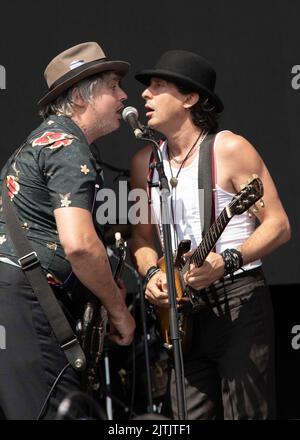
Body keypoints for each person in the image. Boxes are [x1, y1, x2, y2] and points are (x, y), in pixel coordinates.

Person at [130, 50, 291, 420]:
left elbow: (279, 224)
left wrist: (229, 259)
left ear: (190, 98)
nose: (145, 95)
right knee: (186, 416)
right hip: (182, 311)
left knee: (248, 413)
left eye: (158, 86)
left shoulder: (230, 148)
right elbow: (140, 239)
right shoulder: (143, 164)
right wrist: (152, 274)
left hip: (237, 300)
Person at [0, 42, 135, 420]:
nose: (124, 96)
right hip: (26, 303)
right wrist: (118, 310)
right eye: (112, 86)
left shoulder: (42, 142)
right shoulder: (67, 146)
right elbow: (79, 246)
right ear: (80, 96)